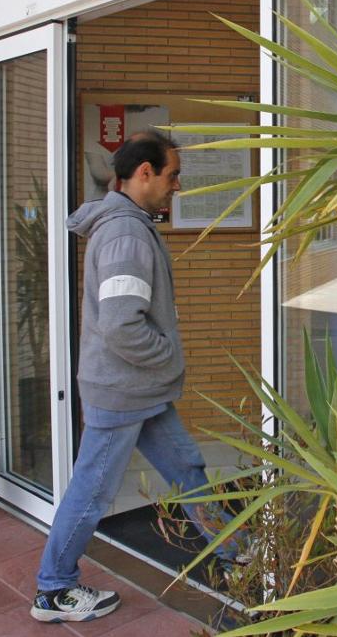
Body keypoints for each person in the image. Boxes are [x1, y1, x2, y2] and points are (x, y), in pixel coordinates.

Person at [31, 130, 239, 624]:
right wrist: (167, 357)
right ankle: (53, 589)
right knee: (93, 490)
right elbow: (122, 324)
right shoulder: (125, 235)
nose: (177, 186)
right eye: (172, 175)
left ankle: (241, 550)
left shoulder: (129, 225)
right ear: (143, 172)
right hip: (123, 391)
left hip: (137, 390)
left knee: (187, 469)